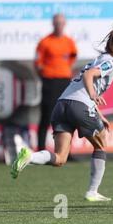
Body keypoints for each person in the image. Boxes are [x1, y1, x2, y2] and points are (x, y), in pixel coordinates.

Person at [11, 27, 113, 202]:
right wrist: (92, 95)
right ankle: (92, 192)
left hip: (61, 106)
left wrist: (99, 113)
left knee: (61, 158)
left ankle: (30, 156)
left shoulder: (98, 59)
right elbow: (90, 76)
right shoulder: (111, 61)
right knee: (101, 143)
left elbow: (83, 83)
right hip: (79, 106)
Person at [35, 13, 77, 151]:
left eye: (61, 23)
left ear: (64, 24)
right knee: (47, 116)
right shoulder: (45, 42)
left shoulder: (69, 42)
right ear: (53, 24)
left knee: (66, 117)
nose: (59, 25)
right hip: (49, 82)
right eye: (57, 23)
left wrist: (63, 69)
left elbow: (72, 57)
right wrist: (47, 74)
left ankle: (66, 152)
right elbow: (37, 63)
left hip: (64, 81)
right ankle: (41, 149)